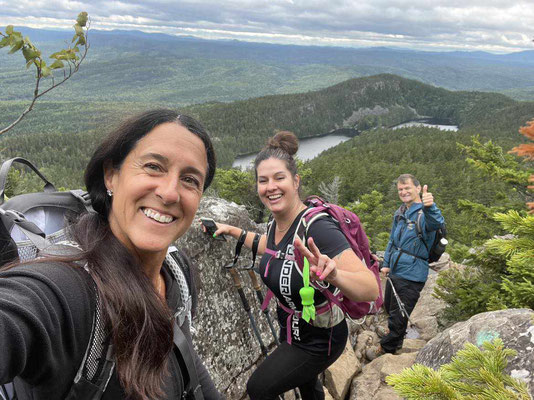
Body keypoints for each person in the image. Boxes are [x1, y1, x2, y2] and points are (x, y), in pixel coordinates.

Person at [0, 109, 223, 400]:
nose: (170, 193)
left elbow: (186, 361)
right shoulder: (68, 290)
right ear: (111, 175)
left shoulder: (176, 273)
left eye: (190, 180)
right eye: (154, 166)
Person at [207, 131, 379, 400]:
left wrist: (334, 275)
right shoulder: (279, 222)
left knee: (259, 388)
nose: (270, 187)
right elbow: (274, 248)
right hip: (293, 329)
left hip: (320, 339)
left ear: (295, 181)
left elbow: (370, 289)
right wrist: (232, 230)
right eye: (263, 181)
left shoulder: (317, 228)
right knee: (308, 387)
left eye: (279, 178)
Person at [369, 173, 444, 359]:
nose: (403, 192)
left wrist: (430, 206)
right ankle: (396, 336)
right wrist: (386, 264)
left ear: (418, 189)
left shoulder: (424, 213)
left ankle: (387, 349)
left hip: (412, 273)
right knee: (390, 307)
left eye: (407, 188)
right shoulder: (401, 212)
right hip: (396, 269)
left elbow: (436, 223)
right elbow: (392, 241)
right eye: (400, 189)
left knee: (399, 314)